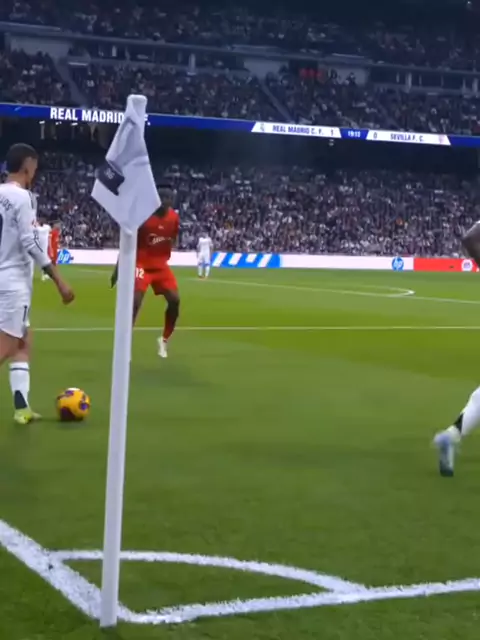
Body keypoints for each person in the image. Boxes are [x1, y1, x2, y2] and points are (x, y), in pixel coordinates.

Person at [0, 143, 75, 424]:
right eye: (35, 166)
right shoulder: (24, 198)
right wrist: (59, 280)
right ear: (27, 166)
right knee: (6, 346)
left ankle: (22, 407)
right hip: (12, 283)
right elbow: (29, 242)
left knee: (22, 342)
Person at [111, 184, 180, 359]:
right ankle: (125, 341)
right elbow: (127, 243)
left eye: (170, 199)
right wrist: (118, 270)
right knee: (135, 300)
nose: (167, 202)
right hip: (141, 264)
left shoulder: (173, 217)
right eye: (164, 198)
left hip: (160, 266)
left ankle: (164, 339)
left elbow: (174, 237)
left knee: (175, 300)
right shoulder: (143, 218)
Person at [36, 217, 52, 281]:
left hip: (41, 247)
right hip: (41, 247)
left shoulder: (38, 228)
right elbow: (49, 230)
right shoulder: (47, 227)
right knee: (44, 262)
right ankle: (44, 275)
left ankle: (44, 275)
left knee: (43, 262)